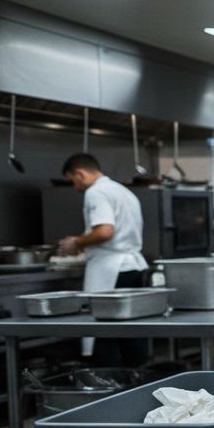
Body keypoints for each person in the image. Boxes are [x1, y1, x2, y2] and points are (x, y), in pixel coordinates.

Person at [57, 153, 150, 367]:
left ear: (80, 174)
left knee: (104, 335)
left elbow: (105, 231)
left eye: (72, 181)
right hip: (134, 267)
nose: (75, 187)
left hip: (112, 272)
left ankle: (109, 389)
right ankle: (138, 384)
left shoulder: (96, 192)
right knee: (132, 334)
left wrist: (77, 242)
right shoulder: (122, 190)